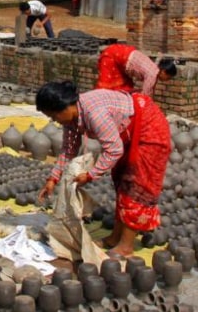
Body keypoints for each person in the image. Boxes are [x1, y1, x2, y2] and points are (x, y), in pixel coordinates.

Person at [35, 80, 171, 259]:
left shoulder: (94, 113)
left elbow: (114, 150)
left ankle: (126, 246)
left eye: (54, 116)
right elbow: (68, 150)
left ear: (64, 107)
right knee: (121, 182)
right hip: (127, 133)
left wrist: (91, 175)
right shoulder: (72, 119)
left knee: (135, 186)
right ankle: (115, 238)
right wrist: (53, 179)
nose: (55, 121)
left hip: (148, 128)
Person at [95, 44, 177, 96]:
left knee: (125, 87)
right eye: (168, 78)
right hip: (113, 56)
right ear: (163, 72)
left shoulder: (154, 68)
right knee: (105, 88)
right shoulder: (152, 75)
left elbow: (150, 92)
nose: (167, 80)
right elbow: (145, 96)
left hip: (120, 54)